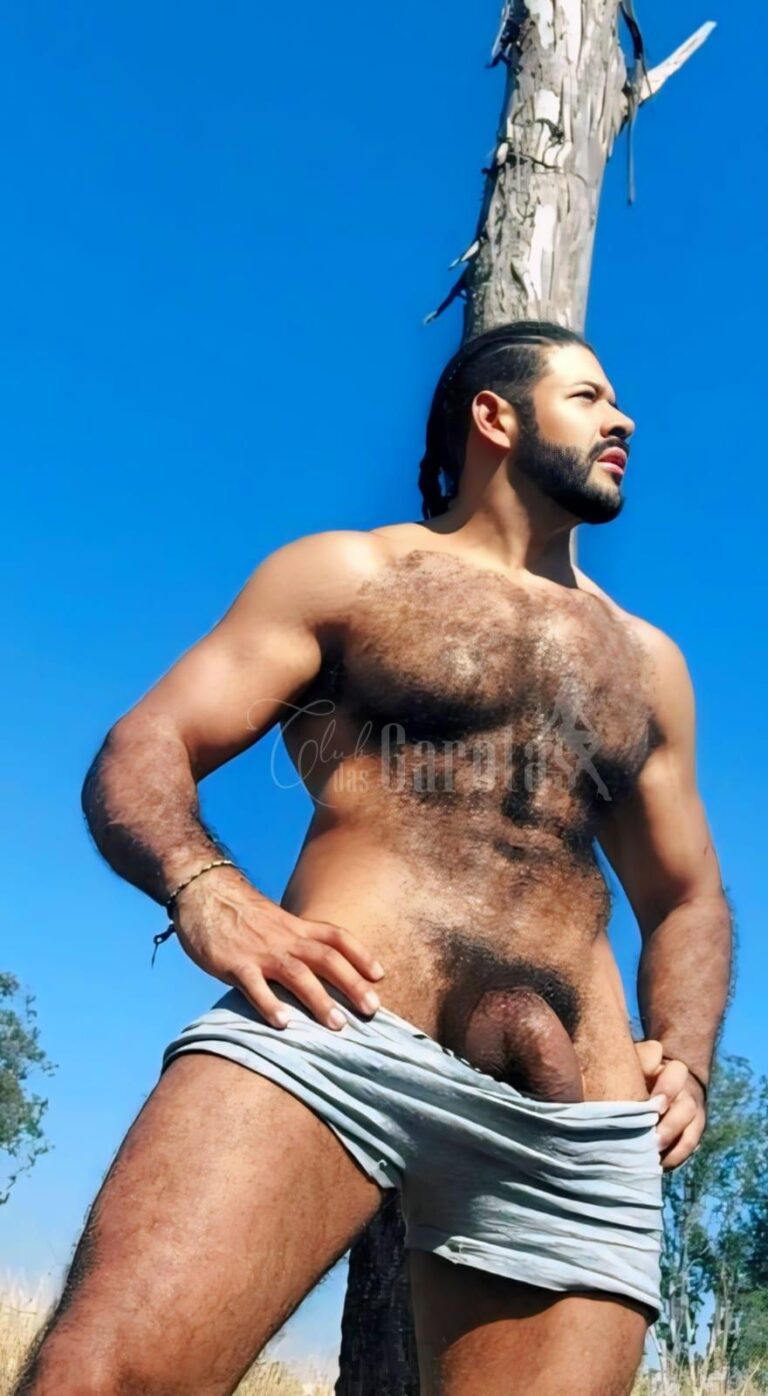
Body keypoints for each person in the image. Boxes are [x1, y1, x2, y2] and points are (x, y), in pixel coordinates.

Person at [16, 322, 732, 1396]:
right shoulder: (349, 573)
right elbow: (147, 745)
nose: (622, 419)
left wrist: (687, 1057)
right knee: (105, 1378)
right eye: (588, 397)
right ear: (495, 416)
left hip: (577, 1124)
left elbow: (687, 896)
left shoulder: (647, 661)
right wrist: (207, 886)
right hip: (337, 1031)